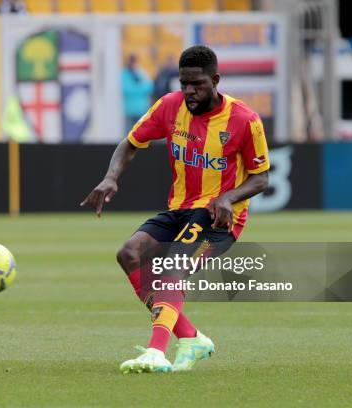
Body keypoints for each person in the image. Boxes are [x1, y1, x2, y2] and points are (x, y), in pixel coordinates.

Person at [81, 45, 270, 373]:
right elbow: (130, 143)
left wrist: (228, 197)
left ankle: (156, 351)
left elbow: (261, 177)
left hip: (219, 218)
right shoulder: (170, 106)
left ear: (215, 80)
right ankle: (191, 337)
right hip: (181, 208)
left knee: (172, 266)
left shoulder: (244, 119)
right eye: (184, 84)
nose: (189, 92)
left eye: (197, 84)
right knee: (128, 254)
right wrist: (110, 177)